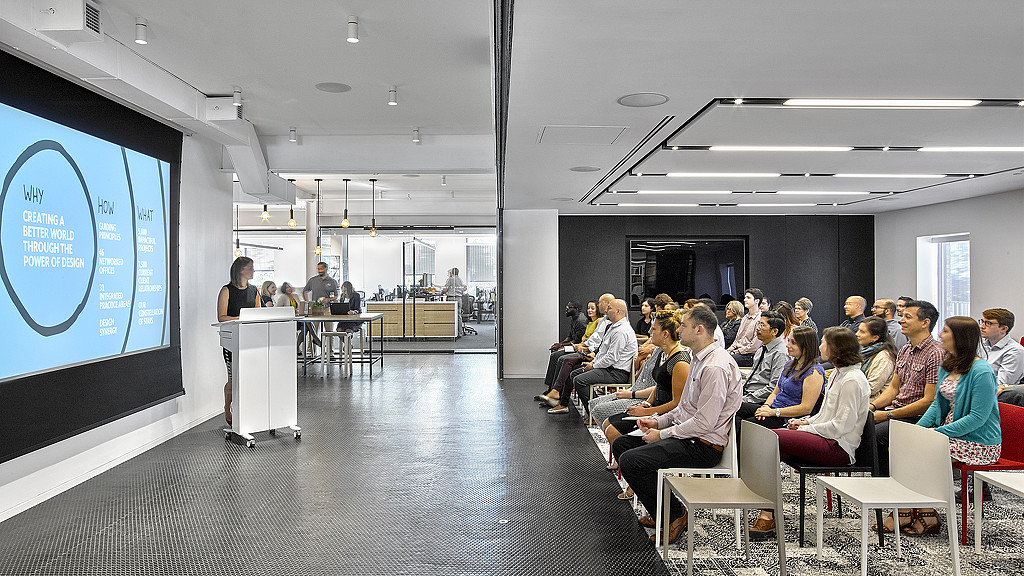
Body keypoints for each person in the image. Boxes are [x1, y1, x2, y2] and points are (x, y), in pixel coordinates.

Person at [612, 305, 742, 543]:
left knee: (632, 461)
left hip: (703, 446)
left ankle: (675, 514)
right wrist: (656, 421)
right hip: (688, 436)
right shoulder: (698, 358)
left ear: (699, 329)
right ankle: (660, 510)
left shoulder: (715, 366)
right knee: (622, 445)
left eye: (683, 325)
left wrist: (661, 434)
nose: (678, 329)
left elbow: (704, 423)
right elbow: (683, 409)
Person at [760, 327, 870, 533]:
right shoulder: (839, 374)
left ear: (836, 349)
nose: (820, 346)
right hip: (827, 438)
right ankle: (767, 512)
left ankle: (767, 511)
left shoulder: (852, 380)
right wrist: (805, 423)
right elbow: (824, 415)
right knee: (774, 450)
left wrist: (808, 429)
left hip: (839, 448)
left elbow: (840, 427)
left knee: (771, 437)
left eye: (824, 342)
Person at [908, 316, 1001, 536]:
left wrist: (934, 434)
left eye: (946, 331)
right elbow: (936, 405)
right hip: (951, 435)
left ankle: (919, 513)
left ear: (960, 337)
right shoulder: (947, 365)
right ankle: (918, 511)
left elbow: (977, 418)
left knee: (923, 451)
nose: (940, 335)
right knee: (909, 446)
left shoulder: (982, 371)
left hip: (978, 441)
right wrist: (918, 431)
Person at [870, 300, 943, 531]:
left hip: (919, 418)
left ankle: (899, 504)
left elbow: (929, 401)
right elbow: (893, 389)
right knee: (864, 427)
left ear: (925, 322)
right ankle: (893, 499)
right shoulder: (905, 349)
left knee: (875, 436)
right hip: (898, 413)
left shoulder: (936, 354)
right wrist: (873, 408)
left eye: (908, 317)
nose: (901, 319)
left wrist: (888, 416)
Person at [601, 311, 690, 458]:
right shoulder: (663, 354)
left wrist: (647, 412)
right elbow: (659, 386)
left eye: (654, 329)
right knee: (607, 423)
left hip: (665, 416)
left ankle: (627, 462)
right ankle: (622, 461)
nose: (649, 332)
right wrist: (646, 405)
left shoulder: (680, 362)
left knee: (612, 430)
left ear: (666, 334)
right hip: (654, 409)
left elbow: (677, 403)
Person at [735, 325, 825, 434]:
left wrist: (773, 412)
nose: (787, 345)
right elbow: (775, 393)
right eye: (788, 341)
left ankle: (740, 448)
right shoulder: (789, 365)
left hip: (788, 417)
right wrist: (765, 407)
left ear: (806, 346)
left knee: (748, 423)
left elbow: (806, 408)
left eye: (793, 343)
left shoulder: (814, 372)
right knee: (735, 408)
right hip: (774, 408)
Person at [554, 299, 637, 414]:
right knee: (574, 373)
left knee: (579, 380)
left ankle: (596, 413)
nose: (606, 310)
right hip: (609, 368)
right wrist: (593, 363)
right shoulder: (613, 327)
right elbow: (603, 352)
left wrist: (593, 366)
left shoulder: (620, 331)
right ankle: (588, 406)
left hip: (616, 373)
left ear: (618, 311)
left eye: (609, 308)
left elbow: (611, 357)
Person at [537, 294, 611, 403]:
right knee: (558, 356)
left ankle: (557, 393)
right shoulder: (591, 321)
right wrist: (563, 344)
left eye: (593, 308)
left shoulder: (591, 321)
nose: (590, 310)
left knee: (561, 358)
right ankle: (553, 390)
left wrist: (582, 347)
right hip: (584, 349)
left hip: (587, 351)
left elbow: (594, 341)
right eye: (589, 308)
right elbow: (576, 338)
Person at [216, 257, 261, 427]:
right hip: (232, 339)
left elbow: (258, 314)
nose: (253, 271)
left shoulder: (254, 290)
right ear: (241, 270)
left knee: (248, 377)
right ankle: (228, 409)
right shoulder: (226, 290)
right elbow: (221, 316)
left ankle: (246, 410)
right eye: (250, 268)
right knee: (233, 378)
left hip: (251, 339)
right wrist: (241, 318)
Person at [978, 308, 1024, 407]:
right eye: (982, 322)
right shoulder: (981, 344)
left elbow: (1002, 384)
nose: (982, 326)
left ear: (1004, 329)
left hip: (994, 398)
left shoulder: (1015, 351)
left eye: (988, 323)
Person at [857, 316, 898, 400]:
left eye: (862, 332)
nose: (857, 334)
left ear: (875, 338)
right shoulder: (863, 351)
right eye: (858, 330)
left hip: (872, 403)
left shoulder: (884, 357)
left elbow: (871, 388)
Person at [726, 287, 765, 367]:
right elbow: (737, 340)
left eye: (748, 298)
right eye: (745, 297)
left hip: (749, 356)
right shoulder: (744, 318)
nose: (745, 300)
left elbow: (754, 346)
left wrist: (736, 352)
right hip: (739, 352)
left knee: (726, 360)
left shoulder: (760, 319)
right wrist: (730, 349)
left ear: (757, 301)